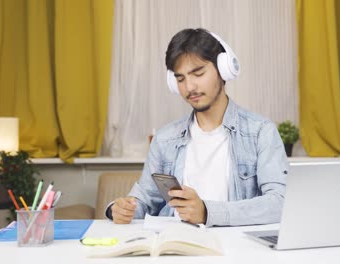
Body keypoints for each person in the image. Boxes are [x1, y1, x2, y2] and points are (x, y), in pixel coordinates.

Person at [106, 28, 288, 227]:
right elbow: (143, 199)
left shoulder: (260, 132)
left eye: (198, 73)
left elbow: (280, 203)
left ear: (224, 69)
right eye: (180, 79)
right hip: (174, 247)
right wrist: (121, 208)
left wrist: (208, 212)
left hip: (234, 249)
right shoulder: (165, 138)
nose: (189, 87)